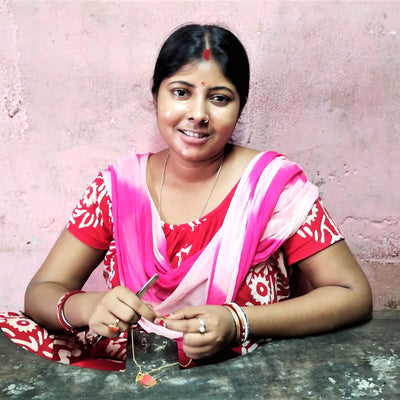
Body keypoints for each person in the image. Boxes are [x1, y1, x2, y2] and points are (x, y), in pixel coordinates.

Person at [0, 24, 372, 372]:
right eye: (181, 92)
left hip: (245, 378)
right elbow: (41, 293)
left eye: (219, 98)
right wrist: (91, 305)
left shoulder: (271, 188)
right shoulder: (118, 189)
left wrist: (238, 321)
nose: (198, 114)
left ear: (239, 106)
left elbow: (352, 294)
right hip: (132, 377)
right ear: (156, 95)